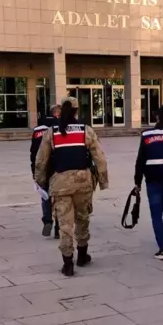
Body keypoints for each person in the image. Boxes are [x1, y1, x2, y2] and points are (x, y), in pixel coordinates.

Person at [35, 97, 109, 277]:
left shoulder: (51, 133)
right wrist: (103, 181)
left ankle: (68, 263)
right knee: (83, 218)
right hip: (83, 182)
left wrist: (40, 180)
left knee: (65, 224)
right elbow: (100, 158)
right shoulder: (86, 130)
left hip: (60, 183)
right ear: (77, 111)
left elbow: (41, 160)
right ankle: (82, 256)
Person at [133, 105, 163, 261]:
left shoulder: (147, 134)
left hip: (153, 179)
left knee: (156, 213)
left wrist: (137, 182)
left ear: (157, 117)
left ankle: (162, 247)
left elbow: (140, 160)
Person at [30, 122, 60, 239]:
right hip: (56, 169)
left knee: (45, 196)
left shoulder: (37, 132)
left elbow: (33, 154)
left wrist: (34, 173)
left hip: (43, 169)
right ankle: (58, 227)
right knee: (59, 198)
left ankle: (47, 220)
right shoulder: (56, 130)